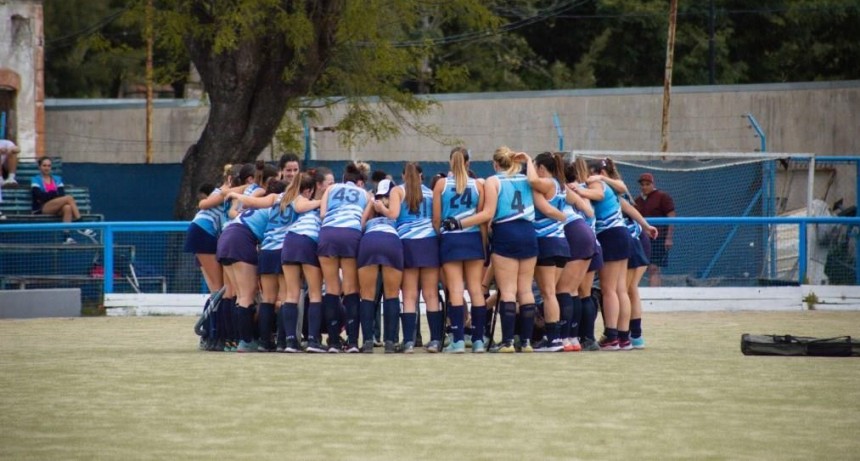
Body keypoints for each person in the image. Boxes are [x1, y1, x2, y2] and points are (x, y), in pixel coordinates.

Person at [444, 147, 538, 353]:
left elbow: (487, 214)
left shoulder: (493, 181)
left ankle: (508, 342)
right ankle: (527, 341)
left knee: (508, 291)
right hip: (529, 232)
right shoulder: (526, 179)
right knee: (525, 290)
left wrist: (460, 224)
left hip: (506, 232)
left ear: (495, 164)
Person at [433, 147, 487, 353]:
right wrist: (483, 244)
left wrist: (440, 235)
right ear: (468, 163)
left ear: (450, 162)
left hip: (450, 239)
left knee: (455, 289)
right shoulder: (478, 185)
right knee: (475, 289)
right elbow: (482, 218)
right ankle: (478, 340)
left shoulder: (441, 184)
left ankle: (457, 341)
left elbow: (436, 218)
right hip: (472, 238)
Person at [317, 162, 373, 353]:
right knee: (351, 288)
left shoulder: (331, 188)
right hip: (351, 233)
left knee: (332, 288)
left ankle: (333, 341)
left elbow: (323, 214)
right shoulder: (365, 194)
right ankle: (352, 342)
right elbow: (364, 221)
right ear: (359, 181)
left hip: (328, 233)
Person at [357, 178, 404, 353]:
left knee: (367, 296)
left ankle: (368, 341)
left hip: (369, 241)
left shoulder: (371, 213)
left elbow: (359, 225)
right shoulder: (396, 210)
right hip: (391, 240)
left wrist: (370, 204)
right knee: (392, 295)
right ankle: (390, 343)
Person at [30, 157, 95, 244]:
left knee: (67, 207)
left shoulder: (57, 179)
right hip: (42, 208)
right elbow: (39, 196)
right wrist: (53, 193)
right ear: (39, 167)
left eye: (49, 166)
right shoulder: (35, 179)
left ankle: (67, 237)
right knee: (69, 198)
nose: (46, 168)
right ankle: (81, 225)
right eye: (44, 165)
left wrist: (48, 195)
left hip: (56, 206)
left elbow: (61, 194)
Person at [634, 172, 675, 287]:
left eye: (647, 184)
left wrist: (669, 238)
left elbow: (672, 217)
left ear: (653, 184)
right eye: (642, 184)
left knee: (654, 267)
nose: (644, 187)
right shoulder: (637, 201)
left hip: (658, 237)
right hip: (642, 238)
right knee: (642, 267)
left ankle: (655, 295)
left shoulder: (663, 197)